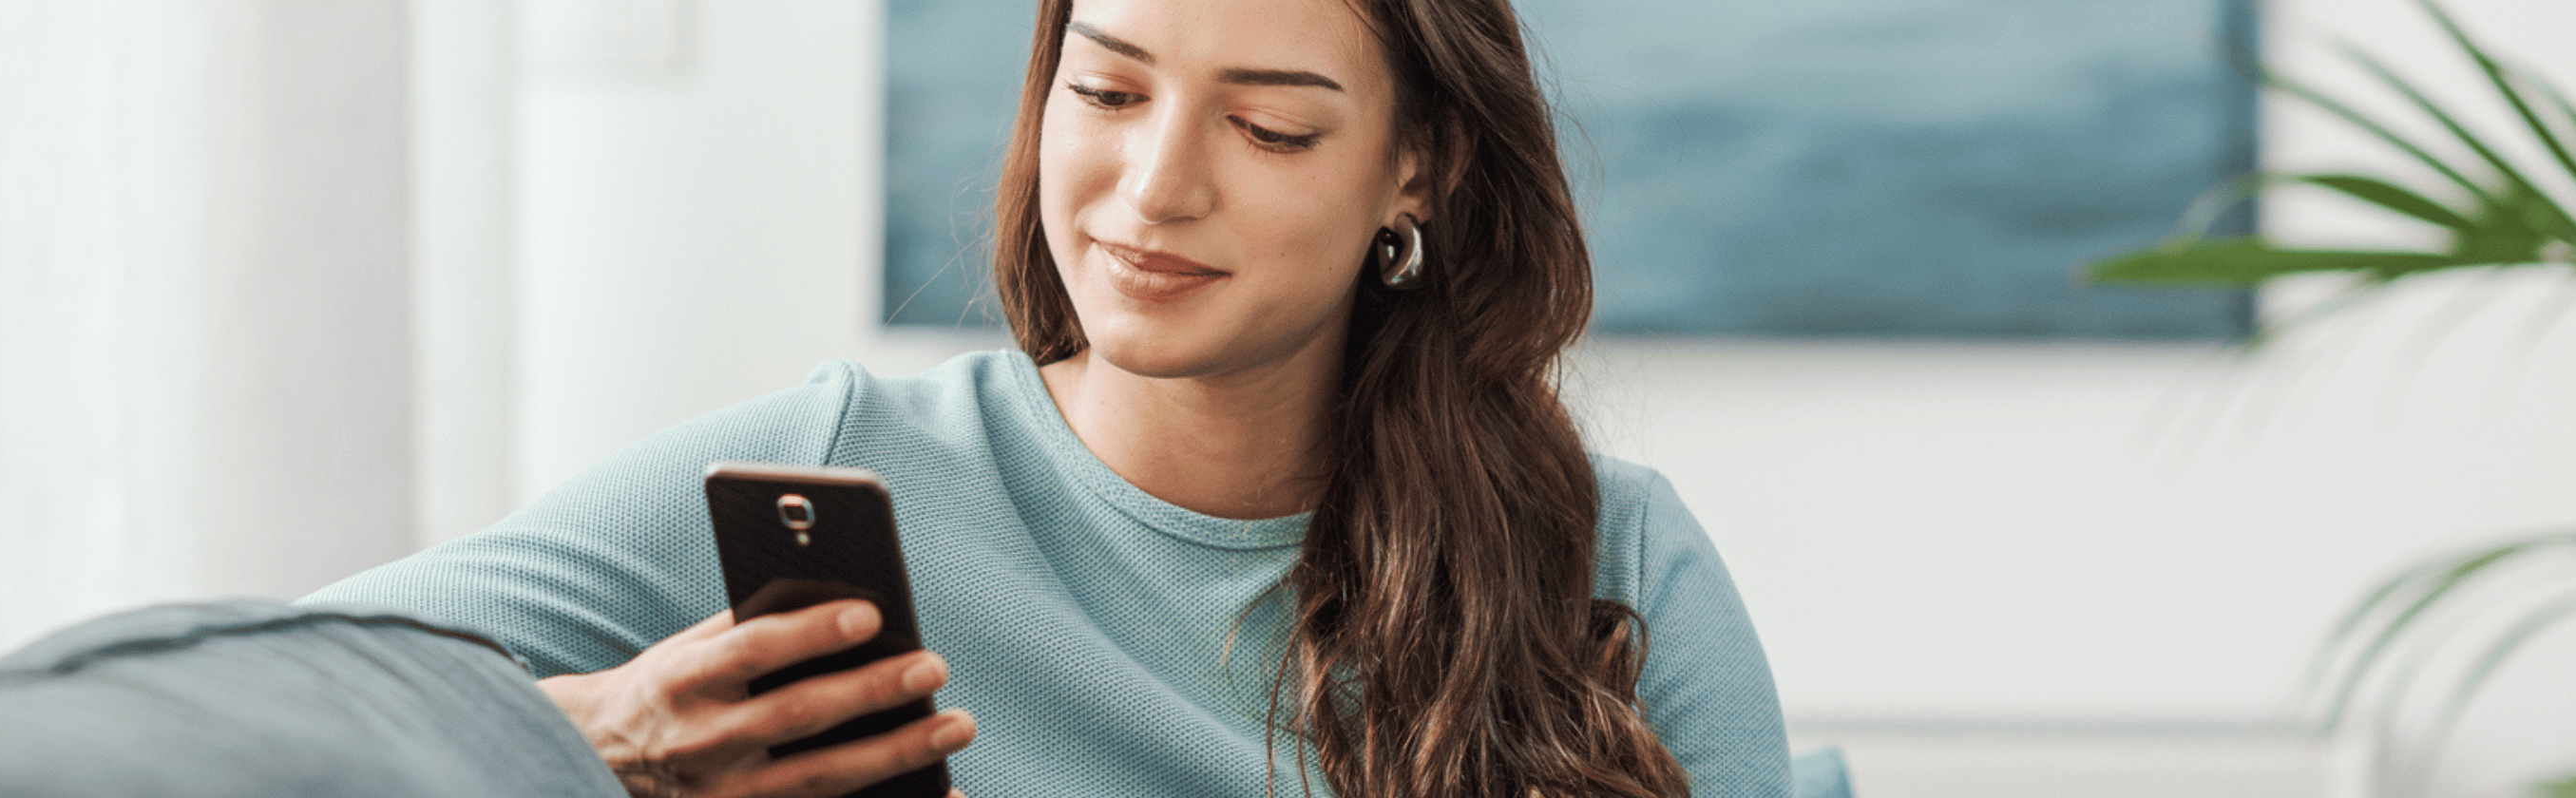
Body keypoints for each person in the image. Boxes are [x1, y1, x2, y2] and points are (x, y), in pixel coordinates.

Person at [310, 0, 1786, 794]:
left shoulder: (1610, 554)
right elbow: (243, 711)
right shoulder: (839, 466)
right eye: (1108, 93)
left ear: (1421, 170)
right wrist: (593, 741)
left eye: (1269, 129)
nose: (1154, 189)